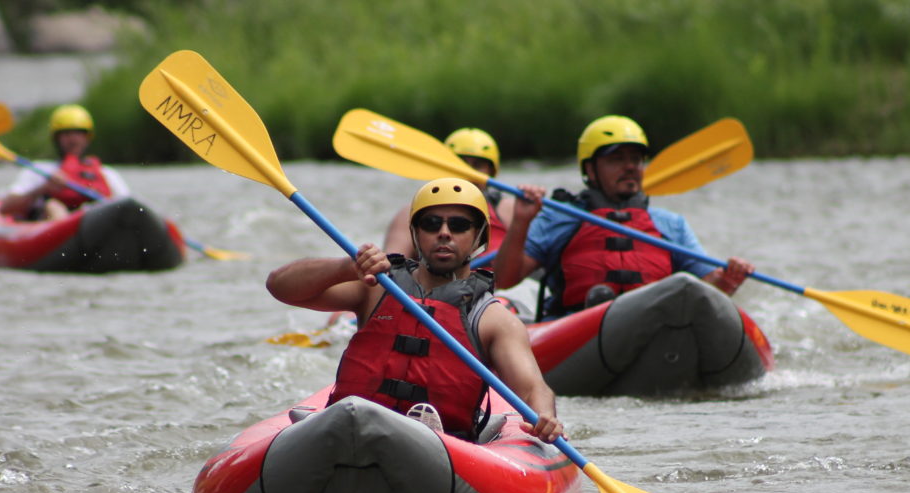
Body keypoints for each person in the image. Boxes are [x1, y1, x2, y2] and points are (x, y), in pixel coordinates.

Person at [267, 177, 564, 444]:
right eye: (432, 224)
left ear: (480, 238)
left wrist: (543, 416)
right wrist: (346, 266)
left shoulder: (492, 319)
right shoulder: (377, 286)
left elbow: (531, 389)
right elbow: (280, 287)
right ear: (416, 233)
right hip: (352, 425)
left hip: (441, 447)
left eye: (459, 225)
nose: (444, 233)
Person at [492, 115, 754, 319]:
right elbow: (505, 279)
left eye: (636, 159)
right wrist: (521, 221)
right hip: (578, 325)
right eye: (616, 159)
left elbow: (711, 288)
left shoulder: (670, 225)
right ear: (590, 170)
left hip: (656, 322)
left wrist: (729, 279)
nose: (630, 166)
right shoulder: (560, 217)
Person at [382, 127, 513, 259]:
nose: (466, 173)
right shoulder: (410, 213)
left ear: (490, 172)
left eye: (476, 165)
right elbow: (391, 266)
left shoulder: (509, 211)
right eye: (459, 164)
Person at [0, 103, 130, 221]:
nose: (73, 140)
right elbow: (5, 208)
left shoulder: (106, 173)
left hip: (94, 221)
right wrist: (43, 188)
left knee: (97, 209)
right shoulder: (40, 170)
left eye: (79, 133)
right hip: (55, 226)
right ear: (56, 138)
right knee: (53, 206)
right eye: (66, 134)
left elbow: (128, 208)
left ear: (87, 138)